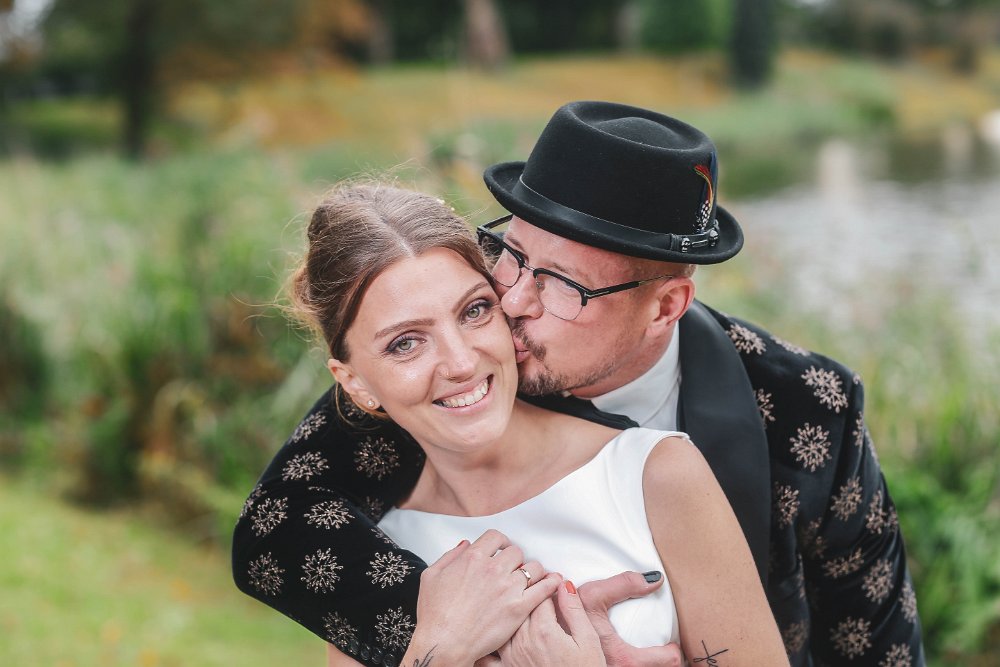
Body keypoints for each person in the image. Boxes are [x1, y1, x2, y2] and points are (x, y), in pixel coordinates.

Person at [233, 101, 925, 666]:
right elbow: (273, 531)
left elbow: (877, 643)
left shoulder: (808, 407)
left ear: (665, 307)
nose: (511, 302)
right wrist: (489, 636)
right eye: (511, 254)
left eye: (564, 284)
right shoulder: (456, 378)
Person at [279, 182, 787, 666]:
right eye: (405, 343)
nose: (461, 363)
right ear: (354, 383)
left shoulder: (654, 473)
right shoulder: (371, 555)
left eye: (474, 311)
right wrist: (441, 650)